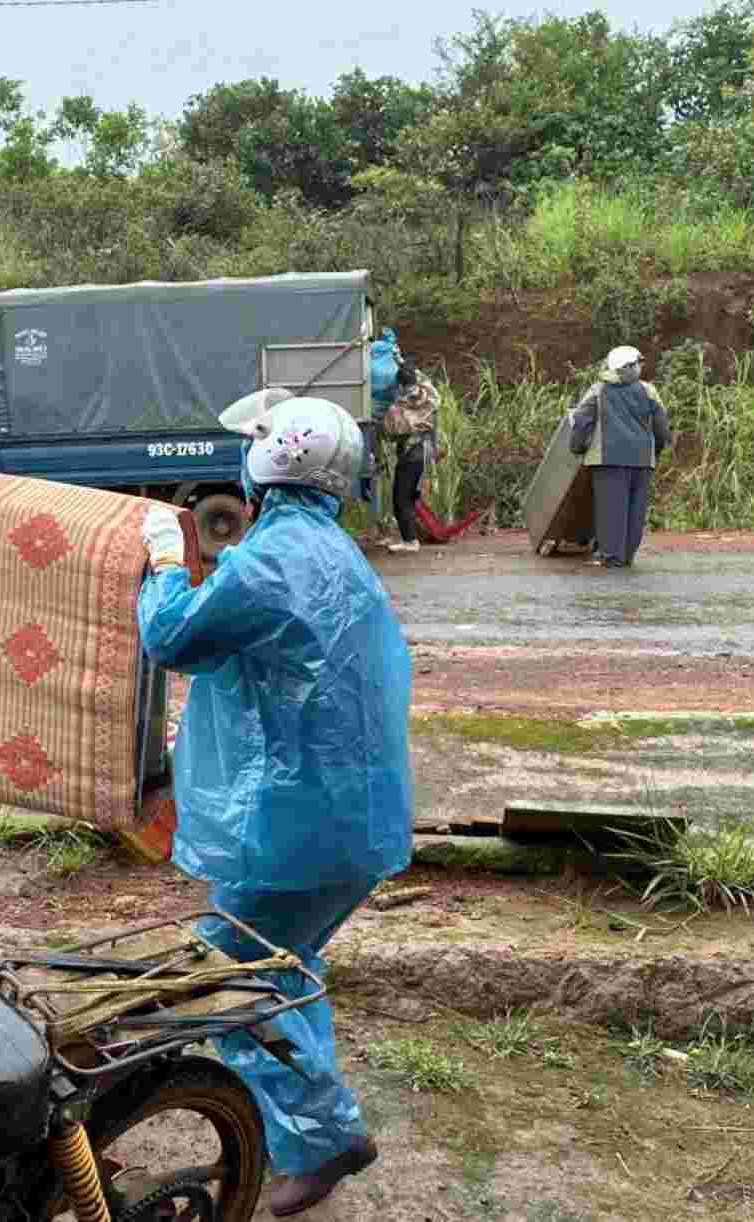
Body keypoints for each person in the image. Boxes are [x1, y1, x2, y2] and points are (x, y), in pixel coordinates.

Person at [138, 392, 415, 1217]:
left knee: (227, 979)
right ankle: (311, 1134)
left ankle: (328, 1138)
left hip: (302, 828)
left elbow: (173, 636)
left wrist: (161, 561)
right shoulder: (334, 552)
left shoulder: (271, 559)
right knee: (287, 970)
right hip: (351, 822)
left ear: (263, 468)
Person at [570, 345, 671, 568]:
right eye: (638, 363)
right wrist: (655, 452)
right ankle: (626, 557)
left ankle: (612, 558)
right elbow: (662, 428)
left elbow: (580, 422)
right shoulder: (648, 391)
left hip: (608, 460)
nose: (640, 367)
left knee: (611, 510)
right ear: (630, 367)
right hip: (643, 462)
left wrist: (577, 448)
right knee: (635, 511)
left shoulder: (598, 391)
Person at [382, 359, 443, 553]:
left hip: (411, 454)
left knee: (401, 498)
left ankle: (410, 541)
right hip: (425, 451)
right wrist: (404, 363)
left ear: (399, 385)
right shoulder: (430, 396)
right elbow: (424, 381)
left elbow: (389, 433)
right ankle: (409, 537)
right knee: (410, 496)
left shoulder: (398, 408)